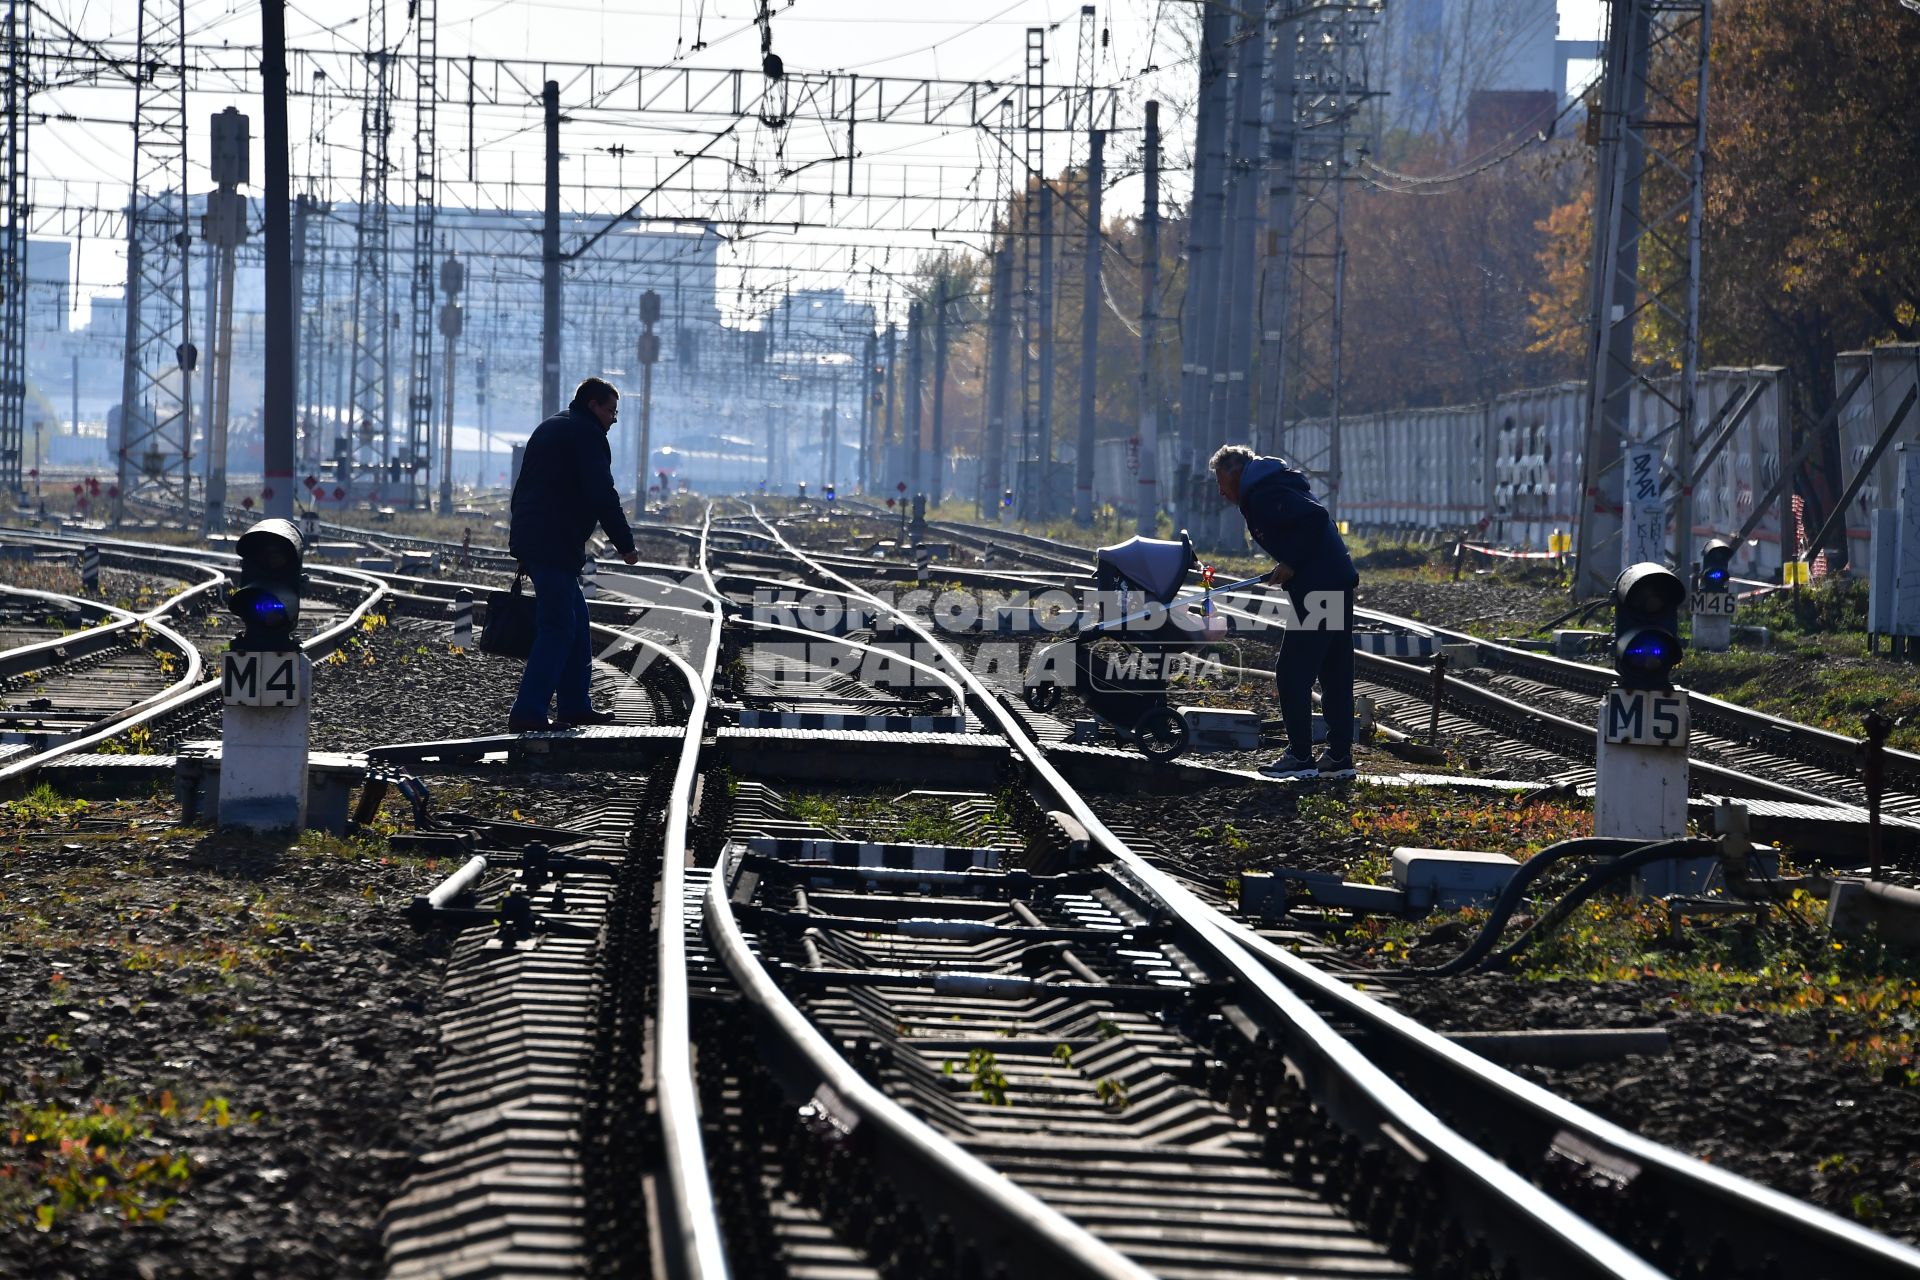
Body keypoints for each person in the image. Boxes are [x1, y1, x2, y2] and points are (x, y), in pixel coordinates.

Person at [1210, 444, 1360, 780]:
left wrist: (1291, 561)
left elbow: (1315, 518)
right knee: (1334, 671)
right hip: (1332, 581)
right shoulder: (1267, 486)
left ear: (1236, 472)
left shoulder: (1265, 491)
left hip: (1321, 588)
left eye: (1221, 481)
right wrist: (1291, 563)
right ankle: (1338, 757)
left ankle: (1301, 756)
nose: (1220, 492)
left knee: (1292, 671)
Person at [507, 377, 641, 732]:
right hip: (551, 542)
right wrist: (625, 544)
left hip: (541, 539)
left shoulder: (552, 426)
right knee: (559, 626)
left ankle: (575, 706)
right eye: (610, 410)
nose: (614, 419)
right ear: (593, 405)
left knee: (578, 621)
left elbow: (525, 487)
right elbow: (602, 493)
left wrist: (522, 544)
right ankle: (528, 712)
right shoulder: (586, 435)